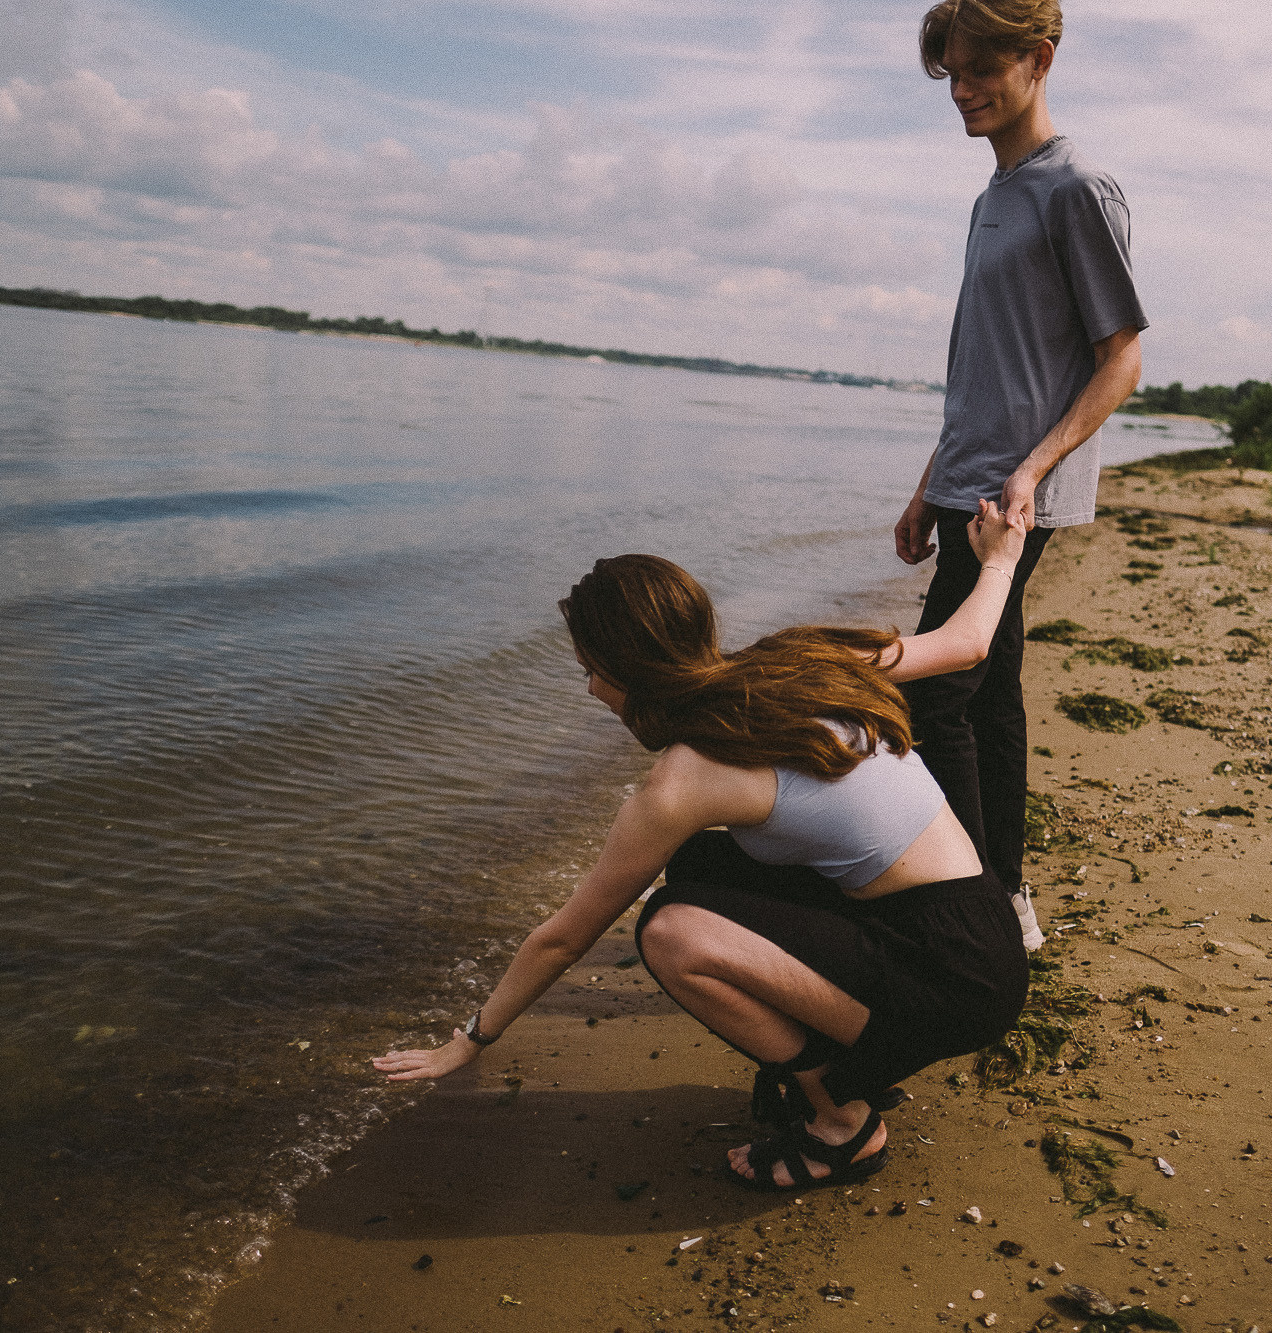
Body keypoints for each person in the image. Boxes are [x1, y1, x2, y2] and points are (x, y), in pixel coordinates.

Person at [375, 504, 1032, 1192]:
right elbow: (967, 643)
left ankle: (843, 1123)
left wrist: (468, 1041)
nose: (589, 688)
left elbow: (564, 939)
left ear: (624, 670)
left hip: (954, 978)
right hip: (983, 924)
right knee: (700, 868)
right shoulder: (800, 658)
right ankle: (854, 1051)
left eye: (590, 670)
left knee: (670, 930)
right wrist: (1000, 558)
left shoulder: (682, 783)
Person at [896, 0, 1148, 938]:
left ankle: (965, 901)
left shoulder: (1077, 188)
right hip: (969, 482)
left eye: (978, 72)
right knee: (990, 689)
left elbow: (1119, 357)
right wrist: (930, 480)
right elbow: (984, 368)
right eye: (950, 76)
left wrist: (1032, 471)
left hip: (1012, 500)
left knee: (933, 693)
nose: (960, 92)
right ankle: (1003, 894)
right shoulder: (992, 196)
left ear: (1037, 59)